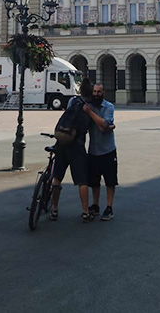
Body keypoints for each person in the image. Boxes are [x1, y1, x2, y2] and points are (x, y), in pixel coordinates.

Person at [50, 80, 105, 223]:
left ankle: (54, 209)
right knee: (82, 181)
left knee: (57, 178)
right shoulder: (91, 107)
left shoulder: (72, 102)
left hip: (62, 142)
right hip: (77, 146)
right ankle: (85, 212)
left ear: (80, 92)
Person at [87, 84, 118, 221]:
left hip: (108, 150)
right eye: (94, 91)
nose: (96, 94)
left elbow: (105, 125)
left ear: (103, 93)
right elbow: (104, 126)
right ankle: (95, 205)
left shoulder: (108, 106)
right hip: (93, 150)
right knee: (94, 181)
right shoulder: (90, 105)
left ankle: (109, 207)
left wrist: (90, 114)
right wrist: (106, 126)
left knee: (110, 180)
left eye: (99, 92)